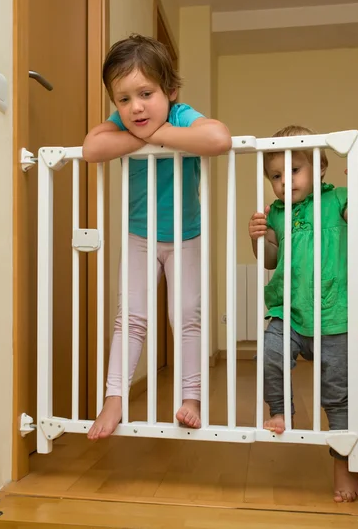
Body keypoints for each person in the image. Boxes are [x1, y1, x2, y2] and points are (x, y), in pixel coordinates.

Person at [83, 34, 232, 440]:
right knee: (129, 319)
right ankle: (114, 397)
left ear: (171, 91)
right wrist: (143, 136)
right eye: (124, 99)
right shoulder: (124, 125)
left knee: (187, 318)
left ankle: (192, 398)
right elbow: (91, 147)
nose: (135, 107)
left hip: (188, 237)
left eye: (146, 93)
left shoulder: (182, 116)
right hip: (139, 237)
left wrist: (159, 134)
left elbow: (218, 138)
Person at [248, 124, 358, 502]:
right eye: (276, 175)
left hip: (335, 315)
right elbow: (269, 261)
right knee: (269, 354)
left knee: (338, 397)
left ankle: (345, 470)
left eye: (294, 170)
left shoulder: (338, 198)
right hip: (288, 311)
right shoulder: (276, 213)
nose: (284, 182)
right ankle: (281, 411)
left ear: (320, 167)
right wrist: (258, 238)